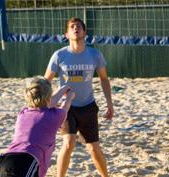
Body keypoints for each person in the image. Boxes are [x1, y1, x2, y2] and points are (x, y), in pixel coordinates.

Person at [44, 17, 114, 177]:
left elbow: (104, 79)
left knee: (93, 148)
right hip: (66, 107)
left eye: (79, 27)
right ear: (66, 34)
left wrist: (109, 103)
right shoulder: (59, 55)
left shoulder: (95, 54)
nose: (76, 29)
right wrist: (47, 104)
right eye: (72, 27)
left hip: (88, 106)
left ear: (85, 32)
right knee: (68, 144)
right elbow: (46, 81)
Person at [0, 76, 75, 177]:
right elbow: (64, 105)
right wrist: (70, 96)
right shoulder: (56, 115)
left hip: (3, 161)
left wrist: (62, 89)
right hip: (25, 162)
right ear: (49, 97)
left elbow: (48, 102)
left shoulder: (23, 113)